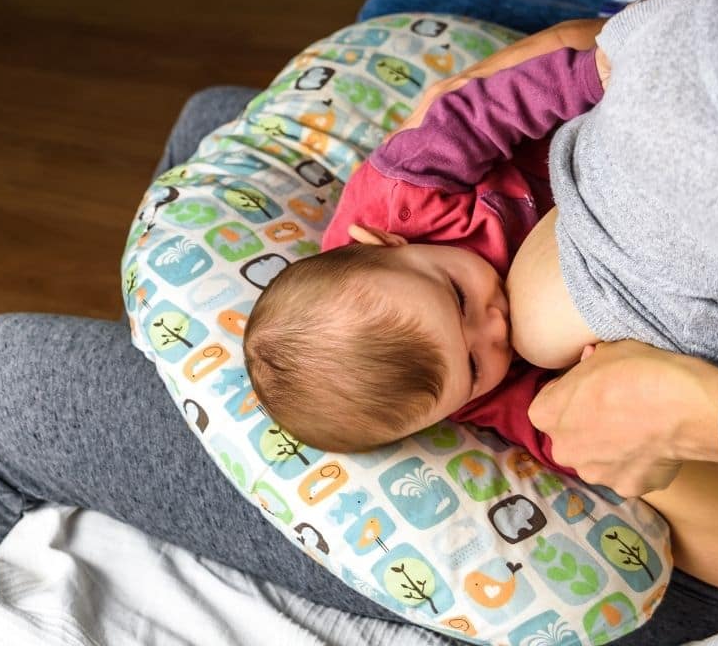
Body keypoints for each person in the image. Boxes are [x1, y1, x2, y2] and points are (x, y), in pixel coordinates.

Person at [0, 0, 718, 641]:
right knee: (238, 102)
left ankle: (78, 544)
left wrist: (710, 419)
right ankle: (152, 475)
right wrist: (597, 38)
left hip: (692, 542)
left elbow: (538, 415)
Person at [244, 47, 603, 469]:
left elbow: (486, 112)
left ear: (389, 244)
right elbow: (542, 428)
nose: (495, 326)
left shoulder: (403, 191)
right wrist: (587, 412)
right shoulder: (453, 392)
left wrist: (588, 76)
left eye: (460, 298)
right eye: (473, 365)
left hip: (591, 135)